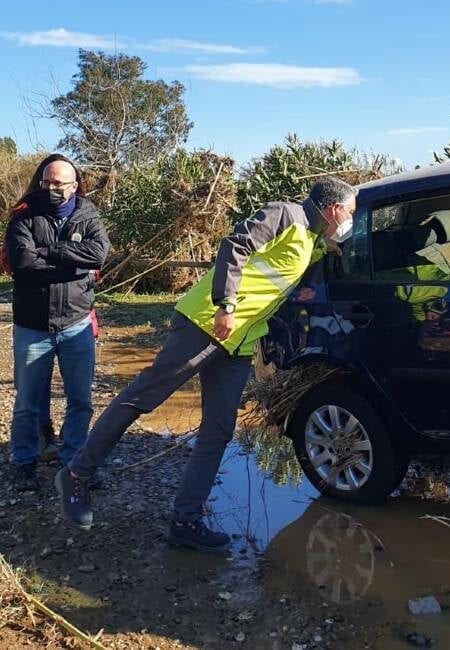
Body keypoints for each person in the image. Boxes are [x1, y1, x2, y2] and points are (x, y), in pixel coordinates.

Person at [56, 177, 357, 551]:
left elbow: (288, 265)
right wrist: (225, 304)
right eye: (351, 211)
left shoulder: (311, 239)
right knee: (143, 397)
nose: (350, 220)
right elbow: (236, 244)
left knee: (218, 431)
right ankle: (76, 474)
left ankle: (186, 521)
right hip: (208, 322)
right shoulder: (286, 214)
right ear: (334, 208)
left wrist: (327, 246)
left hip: (239, 340)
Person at [4, 155, 110, 492]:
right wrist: (72, 262)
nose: (52, 188)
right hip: (33, 326)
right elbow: (22, 261)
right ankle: (24, 462)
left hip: (77, 324)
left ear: (74, 185)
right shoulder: (23, 215)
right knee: (27, 402)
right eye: (47, 182)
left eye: (59, 183)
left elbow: (99, 254)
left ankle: (74, 464)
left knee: (80, 399)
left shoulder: (88, 214)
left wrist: (48, 252)